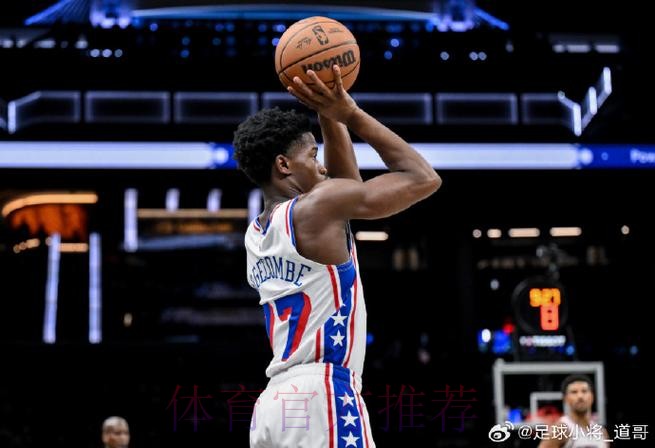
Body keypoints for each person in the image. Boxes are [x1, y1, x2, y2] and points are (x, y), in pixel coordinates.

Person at [233, 65, 441, 447]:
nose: (322, 165)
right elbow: (423, 177)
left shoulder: (256, 234)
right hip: (322, 392)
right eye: (313, 156)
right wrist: (350, 114)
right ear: (283, 165)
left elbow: (345, 189)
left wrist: (327, 115)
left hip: (272, 405)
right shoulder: (316, 207)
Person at [538, 374, 610, 447]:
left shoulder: (601, 432)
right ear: (565, 398)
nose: (580, 396)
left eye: (584, 391)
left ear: (592, 396)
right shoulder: (559, 430)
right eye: (574, 392)